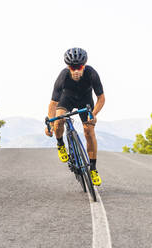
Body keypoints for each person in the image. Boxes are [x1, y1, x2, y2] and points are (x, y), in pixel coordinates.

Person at [45, 47, 105, 186]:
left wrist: (93, 114)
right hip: (67, 99)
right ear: (68, 67)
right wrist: (51, 125)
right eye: (73, 67)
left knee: (89, 131)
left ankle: (93, 169)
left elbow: (101, 98)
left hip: (85, 100)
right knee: (59, 120)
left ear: (84, 65)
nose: (76, 70)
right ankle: (60, 144)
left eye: (79, 67)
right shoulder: (63, 76)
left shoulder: (91, 73)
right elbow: (53, 103)